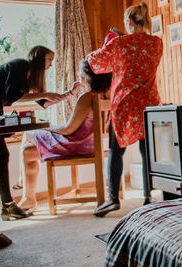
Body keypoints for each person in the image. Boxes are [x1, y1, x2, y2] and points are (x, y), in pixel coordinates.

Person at [88, 2, 163, 217]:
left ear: (129, 22)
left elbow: (95, 63)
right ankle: (149, 196)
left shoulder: (120, 44)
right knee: (146, 149)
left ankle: (112, 198)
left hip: (124, 103)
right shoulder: (156, 43)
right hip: (149, 102)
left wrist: (110, 40)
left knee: (115, 149)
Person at [17, 60, 111, 210]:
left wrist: (49, 127)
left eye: (81, 73)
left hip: (76, 144)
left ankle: (28, 197)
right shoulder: (107, 95)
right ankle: (24, 189)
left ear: (87, 76)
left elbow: (68, 130)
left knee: (27, 143)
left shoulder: (88, 97)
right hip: (91, 144)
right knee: (28, 146)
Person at [0, 46, 65, 220]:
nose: (50, 65)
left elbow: (43, 102)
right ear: (40, 58)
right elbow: (13, 97)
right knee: (1, 156)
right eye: (49, 60)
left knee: (1, 156)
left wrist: (67, 94)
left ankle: (7, 206)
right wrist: (46, 94)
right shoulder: (21, 65)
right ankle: (7, 206)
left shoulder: (28, 76)